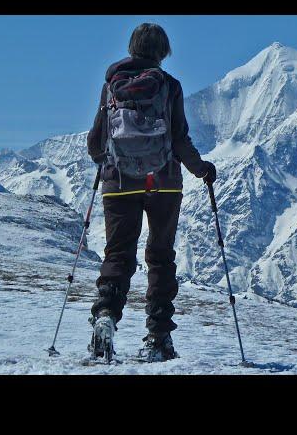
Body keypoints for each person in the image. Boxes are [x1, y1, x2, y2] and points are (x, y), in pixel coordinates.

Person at [86, 23, 216, 362]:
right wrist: (202, 170)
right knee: (160, 257)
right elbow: (179, 139)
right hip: (163, 183)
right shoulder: (170, 86)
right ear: (163, 51)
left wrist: (110, 162)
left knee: (117, 255)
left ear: (132, 48)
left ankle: (105, 316)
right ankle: (158, 339)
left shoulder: (111, 85)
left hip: (118, 183)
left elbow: (95, 142)